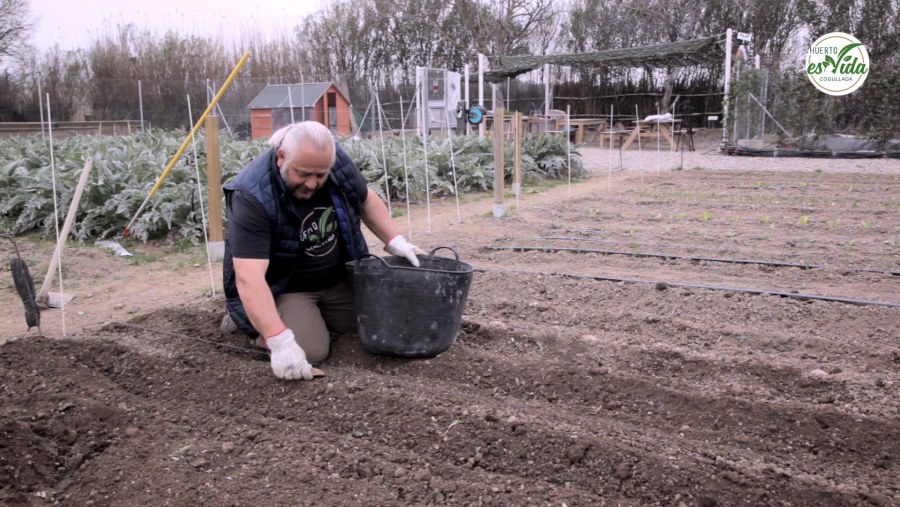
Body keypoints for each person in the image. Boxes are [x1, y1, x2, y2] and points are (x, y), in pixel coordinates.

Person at [222, 121, 424, 380]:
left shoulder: (331, 160)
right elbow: (248, 277)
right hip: (288, 288)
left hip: (339, 278)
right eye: (303, 174)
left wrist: (395, 240)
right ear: (282, 157)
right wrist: (279, 341)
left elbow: (365, 199)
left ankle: (314, 318)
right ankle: (252, 322)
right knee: (311, 350)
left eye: (321, 175)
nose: (312, 183)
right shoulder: (251, 194)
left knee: (385, 325)